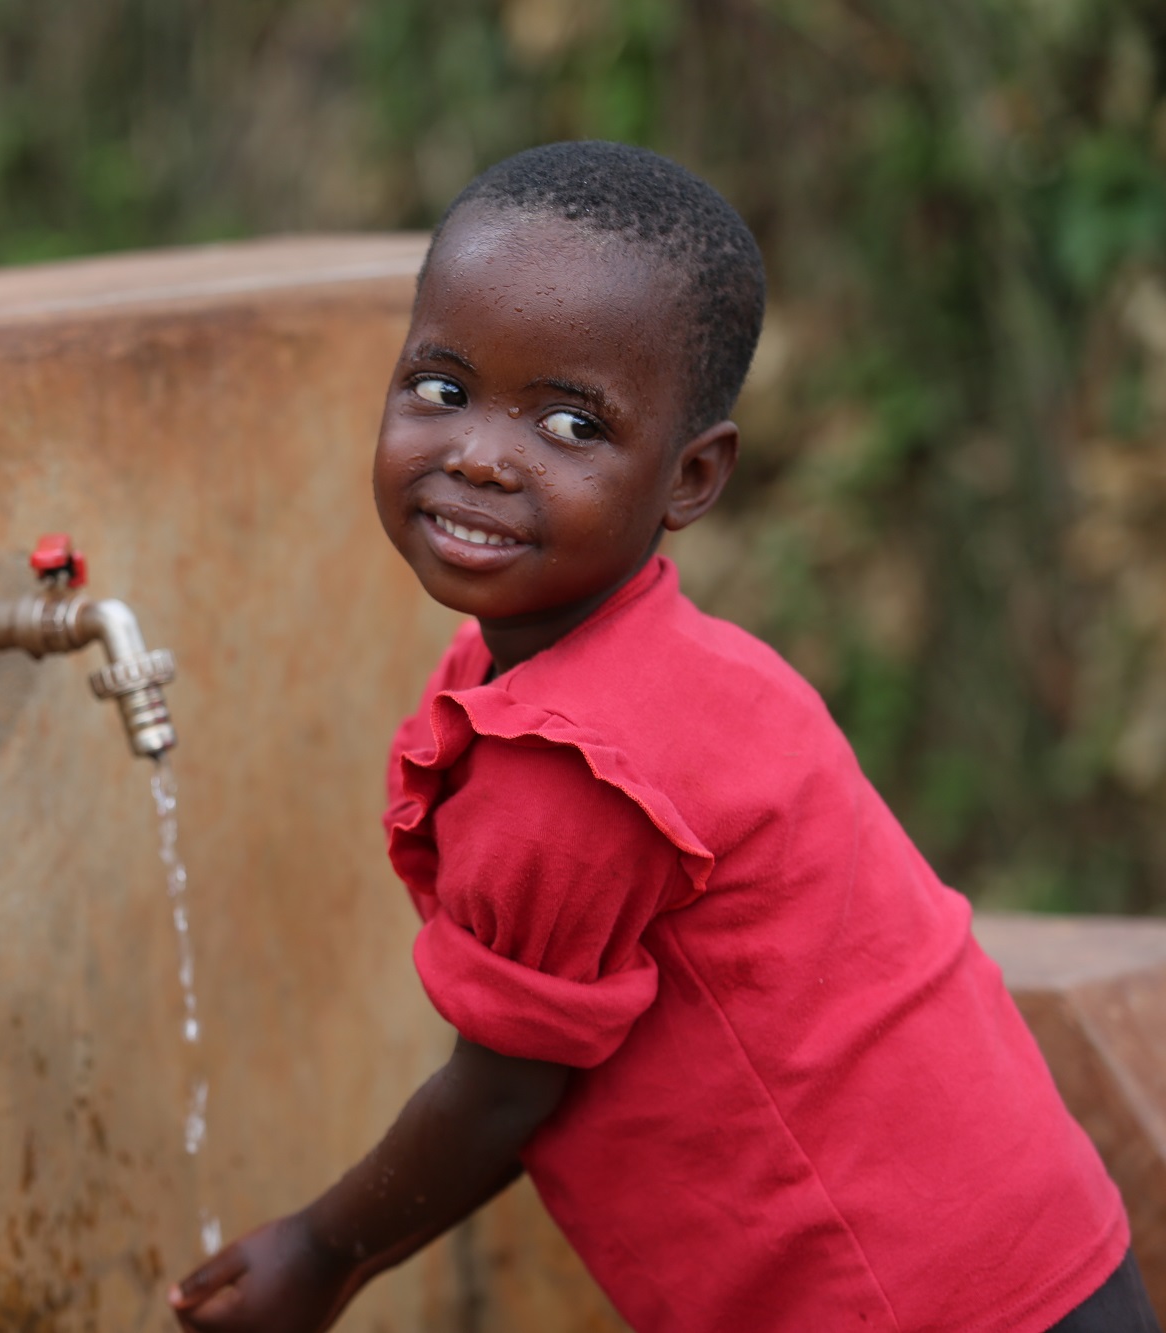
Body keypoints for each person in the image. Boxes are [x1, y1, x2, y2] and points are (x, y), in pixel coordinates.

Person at [167, 141, 1159, 1333]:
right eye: (441, 388)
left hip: (896, 1301)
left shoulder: (579, 768)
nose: (481, 453)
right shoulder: (652, 665)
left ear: (691, 477)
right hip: (1027, 1255)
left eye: (572, 424)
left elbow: (500, 1091)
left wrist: (324, 1250)